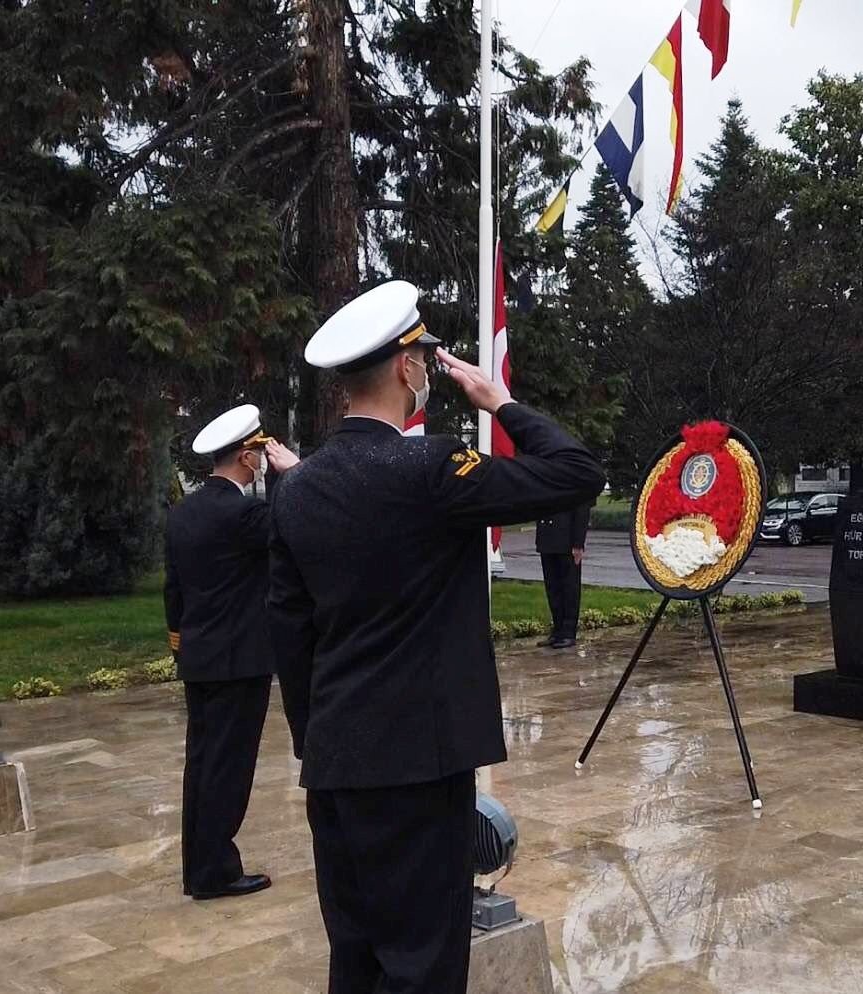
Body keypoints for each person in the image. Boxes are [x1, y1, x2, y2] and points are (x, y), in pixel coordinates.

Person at [268, 280, 605, 993]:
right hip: (418, 766)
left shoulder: (295, 488)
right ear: (404, 368)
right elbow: (577, 473)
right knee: (423, 961)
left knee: (355, 955)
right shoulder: (430, 469)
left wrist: (314, 739)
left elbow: (290, 634)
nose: (425, 370)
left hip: (336, 761)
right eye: (422, 356)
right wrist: (500, 403)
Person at [164, 404, 298, 900]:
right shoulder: (242, 513)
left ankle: (197, 865)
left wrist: (180, 643)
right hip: (239, 661)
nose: (264, 463)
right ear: (247, 456)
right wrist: (290, 476)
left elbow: (172, 592)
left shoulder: (185, 512)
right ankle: (215, 871)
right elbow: (293, 527)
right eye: (260, 455)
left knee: (201, 764)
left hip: (199, 656)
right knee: (228, 767)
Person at [535, 500, 592, 648]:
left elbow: (582, 507)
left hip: (567, 539)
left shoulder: (573, 477)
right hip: (547, 537)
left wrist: (578, 542)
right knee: (553, 587)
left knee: (569, 587)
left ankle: (568, 632)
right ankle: (558, 629)